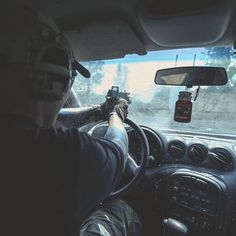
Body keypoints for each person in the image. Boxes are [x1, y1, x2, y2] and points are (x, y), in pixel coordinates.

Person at [0, 3, 141, 236]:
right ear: (55, 80)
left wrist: (100, 111)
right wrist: (116, 115)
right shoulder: (61, 153)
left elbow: (50, 119)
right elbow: (117, 150)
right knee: (119, 209)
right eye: (69, 77)